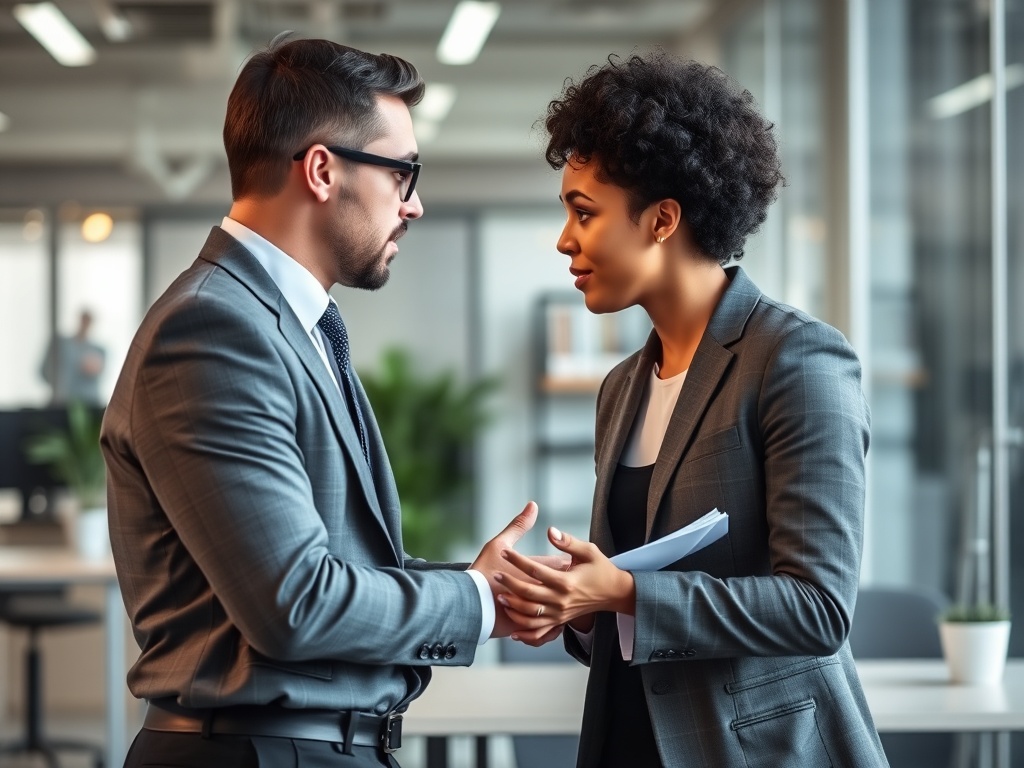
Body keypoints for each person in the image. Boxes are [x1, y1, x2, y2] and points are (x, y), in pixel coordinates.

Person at [100, 37, 549, 768]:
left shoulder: (288, 326)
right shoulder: (215, 330)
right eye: (404, 173)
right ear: (321, 170)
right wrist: (481, 602)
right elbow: (295, 603)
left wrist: (494, 587)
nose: (415, 204)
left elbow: (330, 561)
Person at [495, 53, 889, 767]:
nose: (565, 239)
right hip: (629, 741)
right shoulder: (622, 386)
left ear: (663, 219)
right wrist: (573, 603)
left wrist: (620, 589)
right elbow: (626, 606)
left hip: (758, 750)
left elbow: (818, 608)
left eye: (584, 212)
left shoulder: (795, 359)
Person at [40, 309, 106, 404]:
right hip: (63, 402)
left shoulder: (98, 351)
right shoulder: (62, 345)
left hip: (89, 403)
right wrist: (60, 384)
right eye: (83, 320)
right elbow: (44, 371)